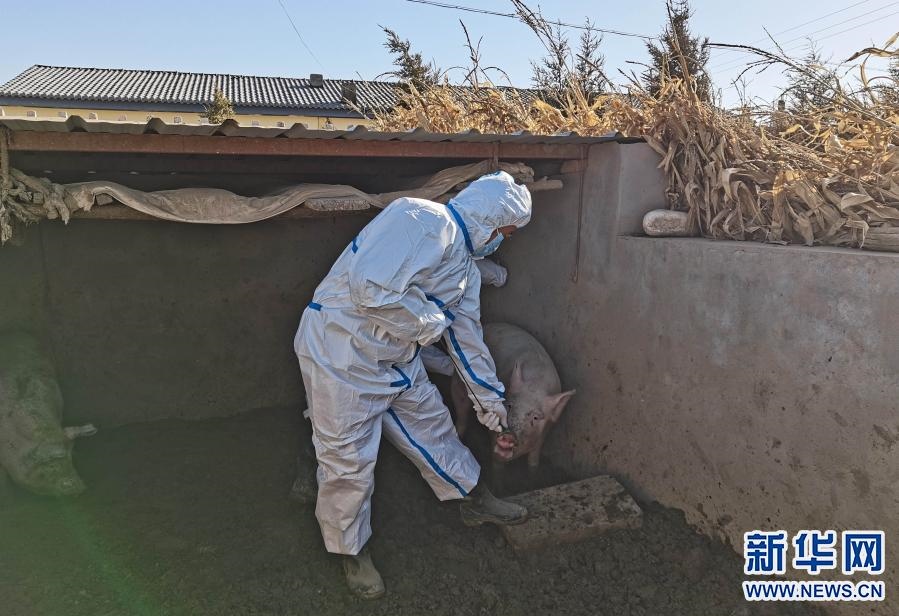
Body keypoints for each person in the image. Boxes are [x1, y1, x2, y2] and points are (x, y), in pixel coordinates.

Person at [293, 171, 531, 599]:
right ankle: (351, 551)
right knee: (347, 459)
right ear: (490, 219)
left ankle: (475, 499)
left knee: (434, 426)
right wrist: (431, 322)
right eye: (505, 232)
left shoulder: (466, 272)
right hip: (341, 353)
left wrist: (490, 402)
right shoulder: (419, 218)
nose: (502, 241)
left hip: (396, 358)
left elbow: (467, 340)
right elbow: (371, 290)